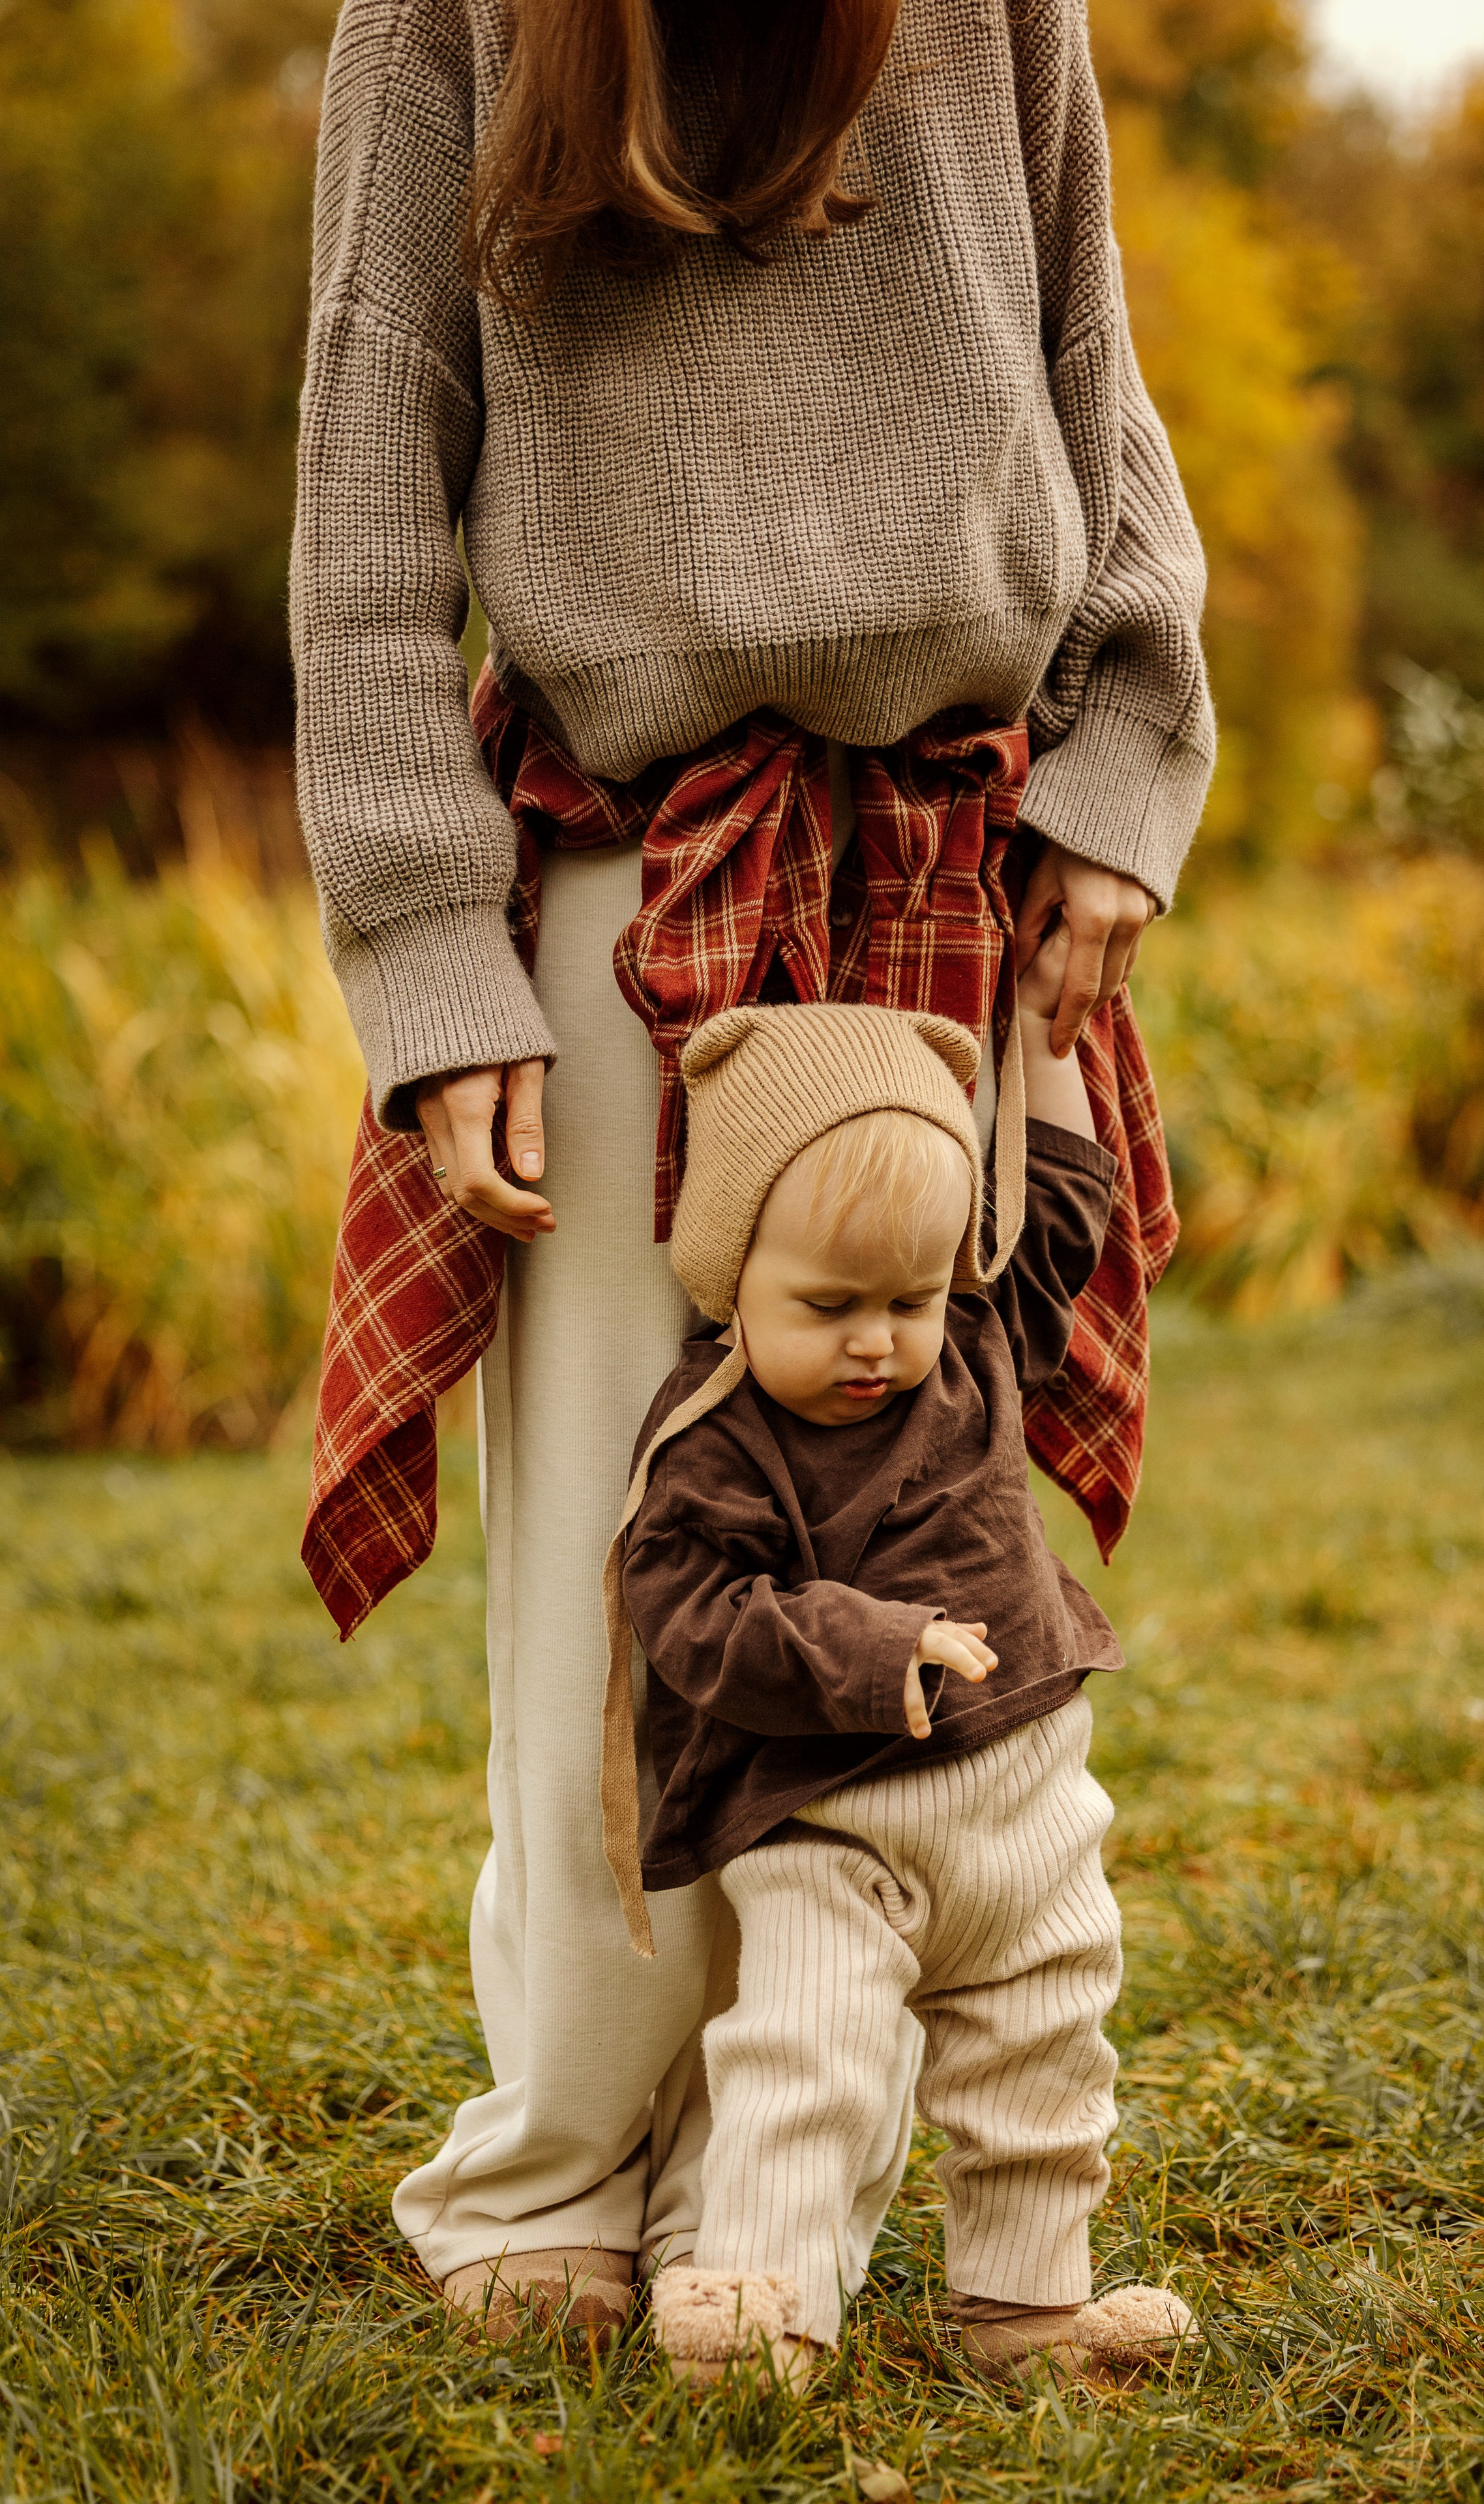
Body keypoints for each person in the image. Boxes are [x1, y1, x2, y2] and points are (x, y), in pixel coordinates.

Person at [289, 0, 1213, 2336]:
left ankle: (778, 2176)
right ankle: (554, 2175)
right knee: (621, 1554)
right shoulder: (450, 15)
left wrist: (1129, 748)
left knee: (915, 1518)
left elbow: (1091, 372)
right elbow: (368, 472)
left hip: (956, 849)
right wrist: (430, 957)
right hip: (624, 865)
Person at [606, 938, 1195, 2386]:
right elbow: (683, 1608)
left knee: (1047, 2058)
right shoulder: (717, 1436)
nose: (877, 1345)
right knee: (806, 2060)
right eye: (828, 1308)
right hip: (832, 1828)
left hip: (1026, 1815)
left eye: (908, 1301)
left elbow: (1056, 1220)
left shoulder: (971, 1348)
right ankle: (762, 2312)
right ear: (733, 1267)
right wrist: (870, 1647)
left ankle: (1027, 2312)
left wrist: (1050, 1049)